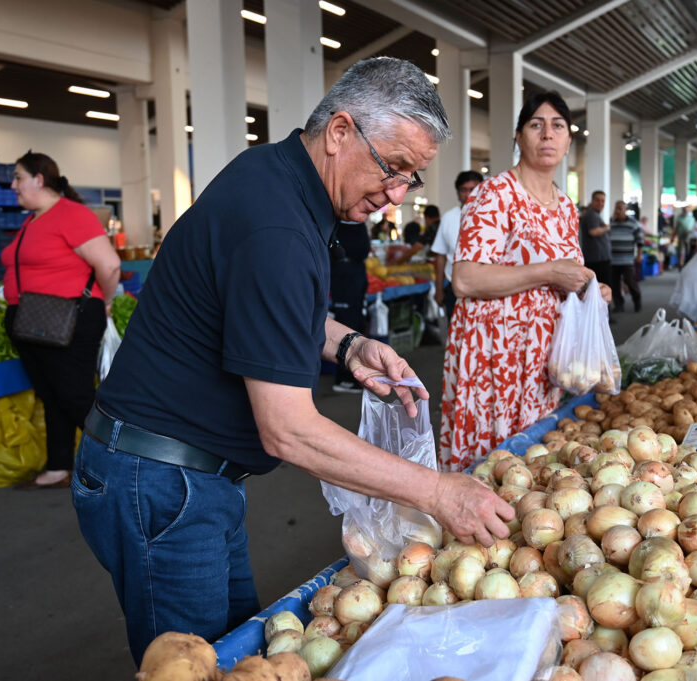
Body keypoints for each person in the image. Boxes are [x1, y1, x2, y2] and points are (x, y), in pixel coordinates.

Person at [75, 57, 514, 664]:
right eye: (394, 169)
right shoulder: (278, 225)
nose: (394, 197)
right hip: (160, 480)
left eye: (411, 180)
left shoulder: (276, 178)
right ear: (340, 132)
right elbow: (288, 430)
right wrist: (437, 492)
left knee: (238, 654)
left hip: (192, 477)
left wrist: (347, 343)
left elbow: (260, 307)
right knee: (191, 665)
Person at [440, 91, 611, 472]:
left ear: (568, 140)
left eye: (558, 126)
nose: (547, 135)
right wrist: (549, 271)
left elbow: (564, 278)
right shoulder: (494, 194)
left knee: (531, 467)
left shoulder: (566, 207)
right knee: (490, 464)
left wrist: (589, 291)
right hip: (494, 355)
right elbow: (465, 280)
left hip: (543, 358)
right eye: (536, 125)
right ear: (519, 137)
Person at [1, 152, 121, 489]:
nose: (13, 185)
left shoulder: (71, 214)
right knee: (52, 395)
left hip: (69, 318)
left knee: (75, 395)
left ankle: (121, 464)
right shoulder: (34, 219)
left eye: (18, 177)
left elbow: (109, 265)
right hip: (33, 320)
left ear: (39, 179)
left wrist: (106, 301)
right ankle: (58, 465)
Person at [431, 170, 483, 321]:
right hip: (454, 289)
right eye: (463, 190)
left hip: (485, 288)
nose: (468, 195)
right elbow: (441, 256)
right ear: (458, 192)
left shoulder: (493, 217)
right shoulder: (448, 218)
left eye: (473, 189)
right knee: (455, 336)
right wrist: (439, 289)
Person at [330, 221, 370, 393]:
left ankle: (353, 375)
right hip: (344, 280)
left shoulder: (357, 222)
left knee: (357, 326)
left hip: (355, 279)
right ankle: (344, 379)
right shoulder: (339, 224)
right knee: (346, 328)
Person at [609, 200, 643, 313]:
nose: (618, 210)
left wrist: (639, 255)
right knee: (615, 284)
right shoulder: (611, 223)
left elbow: (640, 240)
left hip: (627, 259)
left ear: (625, 210)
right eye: (617, 208)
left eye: (620, 208)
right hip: (613, 260)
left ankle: (637, 300)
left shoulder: (633, 223)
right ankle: (619, 305)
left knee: (630, 281)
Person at [579, 190, 611, 284]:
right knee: (602, 289)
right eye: (597, 200)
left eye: (602, 201)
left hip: (599, 259)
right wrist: (607, 227)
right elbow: (593, 231)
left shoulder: (595, 214)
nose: (600, 203)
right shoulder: (591, 215)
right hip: (596, 260)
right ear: (592, 201)